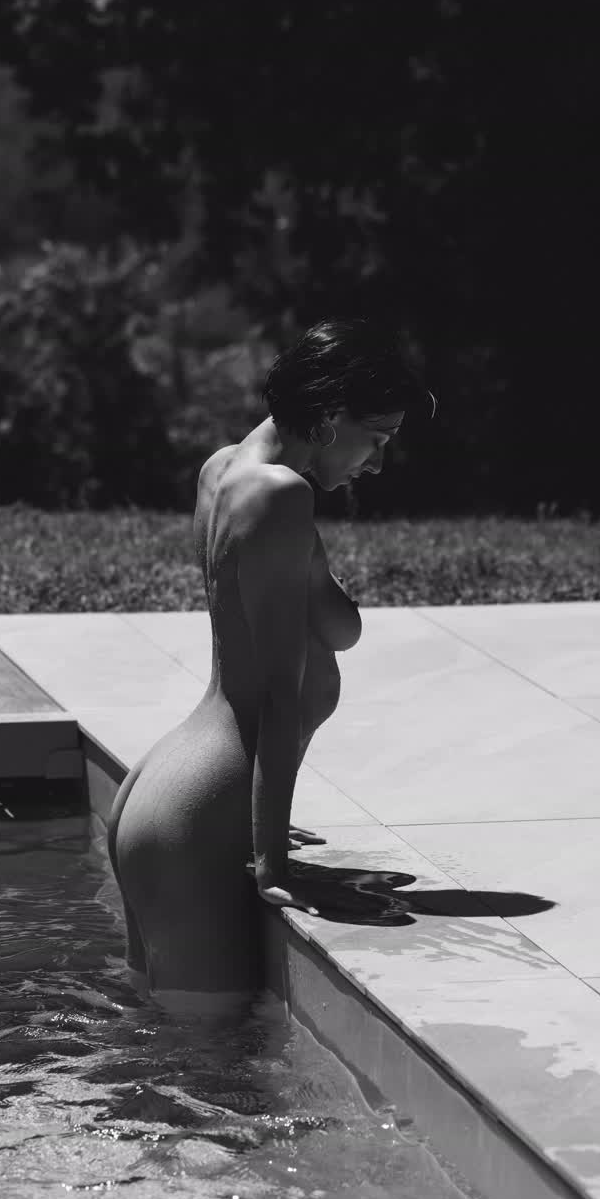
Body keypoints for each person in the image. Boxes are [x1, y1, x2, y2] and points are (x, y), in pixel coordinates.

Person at [106, 317, 437, 1018]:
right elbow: (279, 698)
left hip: (165, 795)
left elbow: (289, 635)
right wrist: (273, 867)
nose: (378, 464)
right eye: (377, 439)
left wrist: (262, 829)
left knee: (155, 1044)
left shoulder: (224, 469)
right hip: (198, 817)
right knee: (207, 1066)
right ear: (329, 415)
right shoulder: (283, 496)